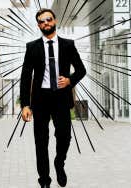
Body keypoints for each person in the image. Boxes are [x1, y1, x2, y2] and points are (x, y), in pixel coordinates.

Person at [19, 8, 86, 188]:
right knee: (41, 141)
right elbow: (26, 77)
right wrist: (25, 104)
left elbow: (81, 70)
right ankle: (44, 181)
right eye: (41, 21)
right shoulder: (32, 47)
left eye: (48, 19)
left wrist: (70, 80)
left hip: (61, 98)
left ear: (55, 20)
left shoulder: (68, 45)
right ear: (38, 25)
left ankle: (59, 163)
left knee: (64, 136)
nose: (45, 23)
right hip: (40, 99)